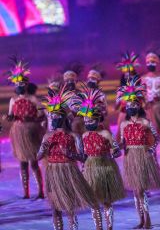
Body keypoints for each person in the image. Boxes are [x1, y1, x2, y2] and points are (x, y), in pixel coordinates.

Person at [37, 85, 103, 230]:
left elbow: (83, 157)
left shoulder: (73, 136)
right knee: (55, 207)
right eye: (51, 115)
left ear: (63, 117)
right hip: (53, 172)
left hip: (69, 171)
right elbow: (38, 157)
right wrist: (45, 146)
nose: (53, 118)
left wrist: (70, 154)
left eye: (56, 115)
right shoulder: (47, 136)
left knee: (70, 206)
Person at [73, 85, 126, 230]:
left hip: (106, 168)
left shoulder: (106, 134)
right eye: (86, 121)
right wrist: (74, 156)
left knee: (106, 201)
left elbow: (117, 150)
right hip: (91, 168)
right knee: (93, 201)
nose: (89, 123)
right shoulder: (84, 135)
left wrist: (115, 151)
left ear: (98, 120)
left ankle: (109, 227)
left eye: (91, 120)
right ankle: (98, 227)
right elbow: (84, 156)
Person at [117, 76, 160, 229]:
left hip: (142, 156)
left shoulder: (145, 122)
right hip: (130, 158)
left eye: (134, 104)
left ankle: (147, 219)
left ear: (138, 106)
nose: (131, 107)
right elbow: (122, 142)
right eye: (129, 104)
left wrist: (150, 150)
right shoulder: (124, 124)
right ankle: (141, 219)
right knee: (136, 192)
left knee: (141, 190)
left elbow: (156, 138)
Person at [4, 58, 45, 199]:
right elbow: (11, 115)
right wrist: (9, 118)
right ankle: (26, 192)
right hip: (18, 132)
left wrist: (32, 119)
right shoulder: (13, 100)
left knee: (33, 163)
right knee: (22, 164)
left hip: (31, 132)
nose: (19, 86)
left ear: (26, 84)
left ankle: (41, 191)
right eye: (17, 83)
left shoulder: (33, 99)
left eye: (21, 83)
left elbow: (42, 116)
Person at [142, 51, 160, 170]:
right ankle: (153, 161)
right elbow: (141, 95)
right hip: (148, 108)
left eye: (152, 62)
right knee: (149, 136)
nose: (150, 64)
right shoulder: (143, 79)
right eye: (148, 62)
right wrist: (144, 104)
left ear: (157, 63)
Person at [115, 52, 141, 143]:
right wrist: (119, 101)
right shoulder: (121, 87)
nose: (128, 77)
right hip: (124, 107)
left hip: (137, 106)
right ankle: (119, 142)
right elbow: (117, 103)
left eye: (130, 75)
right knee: (120, 121)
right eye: (126, 76)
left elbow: (142, 96)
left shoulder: (138, 83)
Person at [60, 62, 85, 135]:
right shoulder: (62, 96)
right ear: (64, 83)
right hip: (67, 123)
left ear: (76, 81)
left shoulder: (82, 94)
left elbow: (86, 108)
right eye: (67, 81)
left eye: (72, 80)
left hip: (81, 122)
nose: (70, 82)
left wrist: (80, 116)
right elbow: (63, 109)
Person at [85, 65, 109, 130]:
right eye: (89, 78)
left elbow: (105, 111)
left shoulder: (101, 95)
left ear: (97, 81)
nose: (90, 80)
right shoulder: (84, 94)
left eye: (93, 79)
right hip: (86, 121)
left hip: (98, 121)